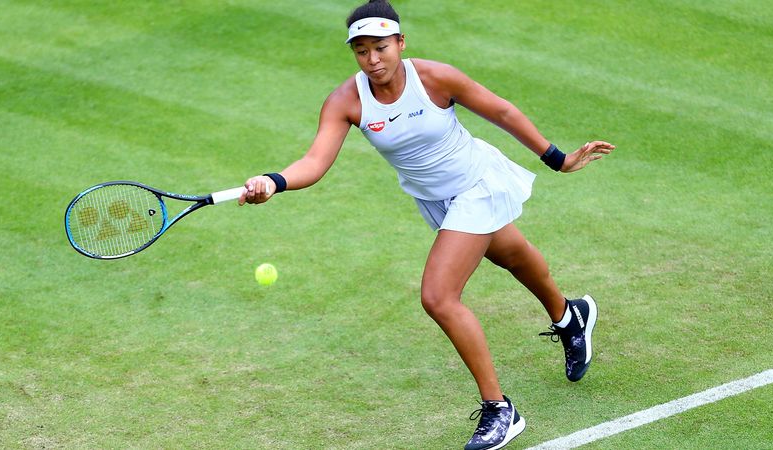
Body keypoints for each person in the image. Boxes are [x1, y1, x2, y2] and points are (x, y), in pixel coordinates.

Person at [239, 1, 614, 448]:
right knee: (512, 255)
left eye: (380, 47)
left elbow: (503, 112)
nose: (372, 60)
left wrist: (558, 159)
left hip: (477, 182)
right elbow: (315, 162)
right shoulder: (345, 101)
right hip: (437, 200)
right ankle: (570, 315)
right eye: (361, 51)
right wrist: (273, 182)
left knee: (438, 296)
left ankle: (500, 409)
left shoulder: (435, 78)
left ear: (400, 43)